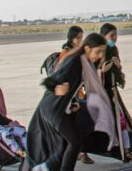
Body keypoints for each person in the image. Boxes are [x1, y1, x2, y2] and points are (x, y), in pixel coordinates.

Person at [27, 33, 109, 171]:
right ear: (88, 48)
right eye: (98, 51)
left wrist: (72, 103)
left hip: (60, 107)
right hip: (53, 108)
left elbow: (74, 87)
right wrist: (55, 87)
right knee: (74, 141)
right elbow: (49, 80)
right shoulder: (74, 61)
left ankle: (48, 167)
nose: (100, 55)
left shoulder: (83, 62)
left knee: (67, 142)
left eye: (102, 52)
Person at [80, 23, 132, 162]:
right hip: (95, 93)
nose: (115, 38)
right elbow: (90, 71)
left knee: (120, 122)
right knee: (90, 124)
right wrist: (103, 69)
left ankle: (125, 151)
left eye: (116, 35)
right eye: (111, 35)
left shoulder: (113, 49)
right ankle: (83, 152)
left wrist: (117, 66)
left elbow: (116, 71)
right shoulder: (95, 50)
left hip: (110, 91)